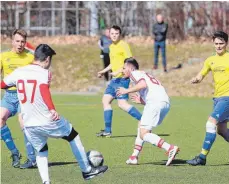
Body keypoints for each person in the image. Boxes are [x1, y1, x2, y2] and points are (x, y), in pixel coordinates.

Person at [0, 44, 108, 184]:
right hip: (46, 119)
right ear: (47, 59)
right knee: (73, 136)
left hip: (28, 123)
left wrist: (16, 84)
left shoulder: (19, 71)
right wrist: (52, 109)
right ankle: (87, 170)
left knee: (41, 150)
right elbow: (44, 89)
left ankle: (46, 182)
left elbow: (2, 85)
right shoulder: (45, 73)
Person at [116, 58, 179, 166]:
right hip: (164, 102)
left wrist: (126, 91)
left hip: (155, 102)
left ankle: (169, 148)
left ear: (131, 68)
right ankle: (134, 157)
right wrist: (141, 101)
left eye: (124, 68)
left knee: (144, 133)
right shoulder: (144, 74)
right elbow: (150, 89)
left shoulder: (134, 73)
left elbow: (143, 85)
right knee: (141, 124)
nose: (122, 70)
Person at [187, 31, 229, 166]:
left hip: (227, 98)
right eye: (216, 43)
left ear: (226, 44)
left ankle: (202, 157)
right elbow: (202, 74)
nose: (218, 46)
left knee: (210, 123)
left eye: (221, 43)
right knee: (221, 130)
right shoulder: (210, 60)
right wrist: (196, 79)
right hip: (217, 98)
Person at [96, 25, 142, 137]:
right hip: (114, 79)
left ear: (119, 34)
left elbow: (129, 63)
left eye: (116, 34)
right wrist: (103, 71)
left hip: (122, 79)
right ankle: (107, 131)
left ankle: (144, 121)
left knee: (122, 104)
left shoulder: (124, 45)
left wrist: (119, 71)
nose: (114, 36)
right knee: (105, 101)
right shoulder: (111, 46)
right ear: (109, 34)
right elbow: (113, 63)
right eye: (112, 34)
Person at [0, 29, 37, 169]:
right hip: (9, 96)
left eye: (23, 41)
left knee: (23, 123)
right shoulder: (3, 56)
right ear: (12, 41)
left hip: (24, 95)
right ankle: (15, 153)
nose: (20, 44)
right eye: (17, 41)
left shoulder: (31, 57)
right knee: (0, 119)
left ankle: (32, 159)